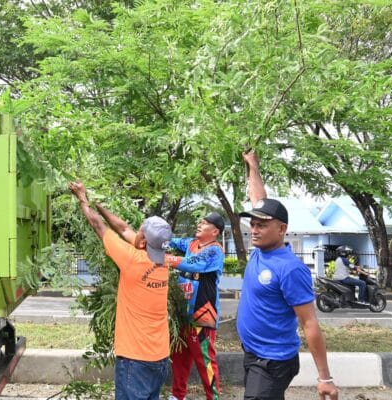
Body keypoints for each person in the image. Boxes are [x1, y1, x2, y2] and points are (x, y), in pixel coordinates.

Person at [238, 150, 339, 400]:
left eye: (261, 225)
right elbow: (258, 199)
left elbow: (309, 323)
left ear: (282, 229)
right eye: (252, 224)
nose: (254, 230)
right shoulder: (260, 251)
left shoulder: (290, 268)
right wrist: (253, 166)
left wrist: (324, 378)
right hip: (253, 353)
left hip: (273, 361)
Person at [68, 179, 171, 400]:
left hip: (136, 360)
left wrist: (83, 198)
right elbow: (123, 228)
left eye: (140, 231)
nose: (136, 232)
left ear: (143, 242)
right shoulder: (165, 261)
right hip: (160, 358)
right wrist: (99, 204)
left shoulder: (131, 260)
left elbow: (98, 226)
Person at [164, 213, 225, 400]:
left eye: (205, 223)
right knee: (179, 356)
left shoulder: (215, 251)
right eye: (201, 221)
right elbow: (172, 241)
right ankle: (177, 395)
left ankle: (213, 397)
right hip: (183, 313)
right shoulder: (191, 243)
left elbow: (193, 264)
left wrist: (164, 258)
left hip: (202, 314)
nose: (200, 224)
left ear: (215, 231)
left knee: (204, 361)